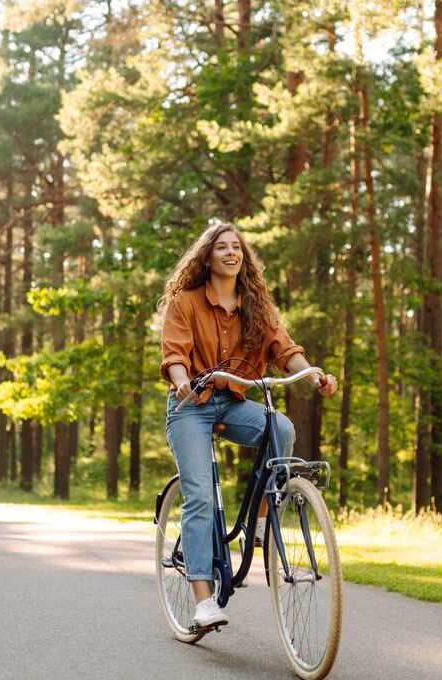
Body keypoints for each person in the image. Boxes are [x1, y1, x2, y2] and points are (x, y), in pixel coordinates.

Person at [158, 220, 337, 629]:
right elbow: (174, 354)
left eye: (236, 246)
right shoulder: (185, 302)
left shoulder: (257, 305)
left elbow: (284, 349)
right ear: (208, 256)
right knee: (201, 497)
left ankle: (259, 521)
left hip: (234, 401)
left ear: (244, 257)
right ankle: (203, 600)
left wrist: (311, 375)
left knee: (282, 428)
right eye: (221, 246)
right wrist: (183, 380)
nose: (230, 252)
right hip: (191, 403)